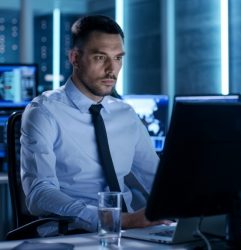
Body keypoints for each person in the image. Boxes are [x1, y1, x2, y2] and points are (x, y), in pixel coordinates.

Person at [21, 14, 165, 236]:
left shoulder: (125, 114)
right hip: (72, 233)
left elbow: (155, 178)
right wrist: (115, 219)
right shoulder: (43, 111)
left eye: (118, 58)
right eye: (100, 58)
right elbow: (39, 194)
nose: (112, 69)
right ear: (75, 58)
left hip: (130, 233)